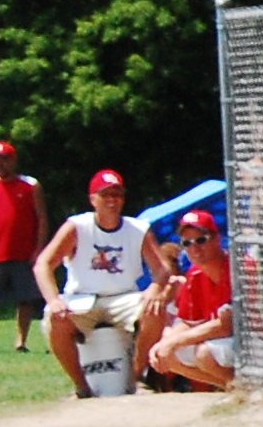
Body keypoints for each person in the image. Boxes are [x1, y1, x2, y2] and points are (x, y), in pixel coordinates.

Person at [34, 170, 173, 397]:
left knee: (155, 310)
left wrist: (156, 288)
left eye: (117, 194)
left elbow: (163, 267)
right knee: (55, 319)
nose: (112, 200)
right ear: (93, 199)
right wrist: (53, 300)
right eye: (105, 194)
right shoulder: (77, 227)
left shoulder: (138, 229)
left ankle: (136, 380)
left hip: (124, 296)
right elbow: (43, 264)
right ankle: (81, 387)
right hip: (82, 297)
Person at [145, 209, 237, 390]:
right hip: (227, 342)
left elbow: (225, 325)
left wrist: (174, 342)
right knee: (168, 355)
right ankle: (233, 388)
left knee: (204, 353)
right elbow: (187, 322)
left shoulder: (234, 267)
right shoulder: (195, 275)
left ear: (217, 239)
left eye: (201, 240)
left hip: (255, 342)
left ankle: (248, 389)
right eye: (187, 243)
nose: (194, 248)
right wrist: (164, 344)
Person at [0, 139, 47, 354]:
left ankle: (21, 341)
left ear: (13, 161)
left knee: (25, 300)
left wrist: (38, 250)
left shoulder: (30, 185)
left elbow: (41, 219)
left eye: (4, 159)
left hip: (23, 252)